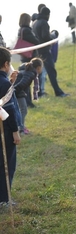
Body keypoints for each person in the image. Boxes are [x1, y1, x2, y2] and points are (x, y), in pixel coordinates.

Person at [0, 47, 21, 205]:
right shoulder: (4, 84)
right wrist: (15, 131)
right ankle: (4, 199)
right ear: (6, 64)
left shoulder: (6, 83)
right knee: (7, 164)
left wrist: (10, 83)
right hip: (5, 131)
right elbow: (10, 110)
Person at [33, 6, 69, 97]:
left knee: (40, 72)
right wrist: (52, 37)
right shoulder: (44, 23)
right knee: (51, 72)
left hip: (38, 50)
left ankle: (40, 92)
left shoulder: (35, 22)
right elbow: (45, 36)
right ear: (47, 14)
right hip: (45, 50)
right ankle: (58, 92)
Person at [16, 13, 40, 108]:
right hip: (29, 57)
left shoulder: (21, 30)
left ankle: (27, 101)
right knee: (27, 81)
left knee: (26, 80)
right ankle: (28, 102)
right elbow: (36, 41)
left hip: (24, 56)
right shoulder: (27, 30)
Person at [14, 58, 43, 135]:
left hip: (19, 93)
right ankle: (20, 129)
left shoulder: (27, 71)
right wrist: (13, 91)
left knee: (21, 110)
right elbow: (22, 84)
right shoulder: (30, 73)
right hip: (18, 93)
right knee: (23, 110)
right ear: (38, 68)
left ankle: (21, 126)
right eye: (41, 68)